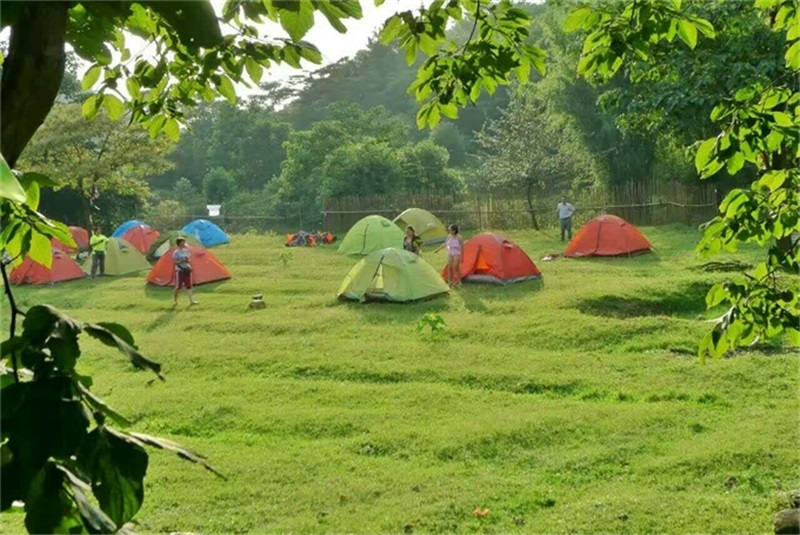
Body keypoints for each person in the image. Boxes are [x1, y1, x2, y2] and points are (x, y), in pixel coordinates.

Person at [173, 237, 199, 307]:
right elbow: (175, 262)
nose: (183, 244)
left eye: (184, 243)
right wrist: (182, 261)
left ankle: (191, 301)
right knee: (178, 287)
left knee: (189, 285)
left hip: (187, 269)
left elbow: (189, 260)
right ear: (179, 244)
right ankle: (175, 301)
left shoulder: (186, 251)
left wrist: (187, 260)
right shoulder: (176, 252)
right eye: (182, 243)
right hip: (180, 270)